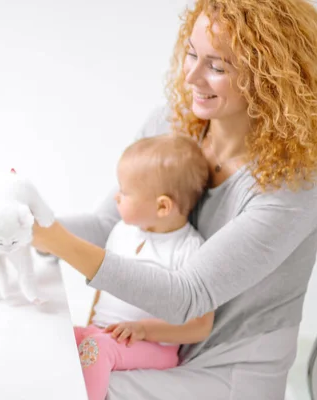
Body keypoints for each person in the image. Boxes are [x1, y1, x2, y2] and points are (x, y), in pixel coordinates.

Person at [32, 0, 317, 398]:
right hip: (157, 346)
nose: (192, 78)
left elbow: (187, 295)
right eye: (191, 54)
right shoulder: (172, 126)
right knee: (44, 364)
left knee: (61, 385)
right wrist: (28, 227)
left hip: (227, 373)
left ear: (270, 78)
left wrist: (57, 241)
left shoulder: (296, 184)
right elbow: (111, 224)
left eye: (217, 66)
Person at [75, 134, 212, 400]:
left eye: (125, 192)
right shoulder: (122, 231)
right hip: (103, 333)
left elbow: (200, 326)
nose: (117, 196)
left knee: (96, 348)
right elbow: (103, 287)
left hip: (152, 345)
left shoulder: (189, 249)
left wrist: (145, 329)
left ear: (162, 206)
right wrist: (91, 322)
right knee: (63, 338)